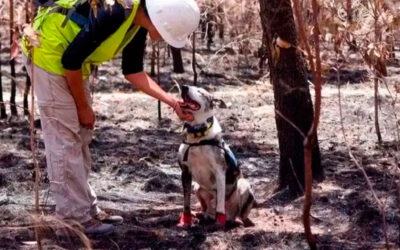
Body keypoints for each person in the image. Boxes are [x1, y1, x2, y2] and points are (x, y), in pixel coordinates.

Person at [21, 0, 200, 236]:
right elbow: (70, 61)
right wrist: (83, 107)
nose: (167, 39)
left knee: (81, 136)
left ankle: (85, 209)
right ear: (160, 21)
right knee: (65, 140)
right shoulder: (117, 11)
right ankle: (73, 221)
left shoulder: (137, 22)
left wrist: (173, 103)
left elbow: (133, 71)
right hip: (49, 54)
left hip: (70, 60)